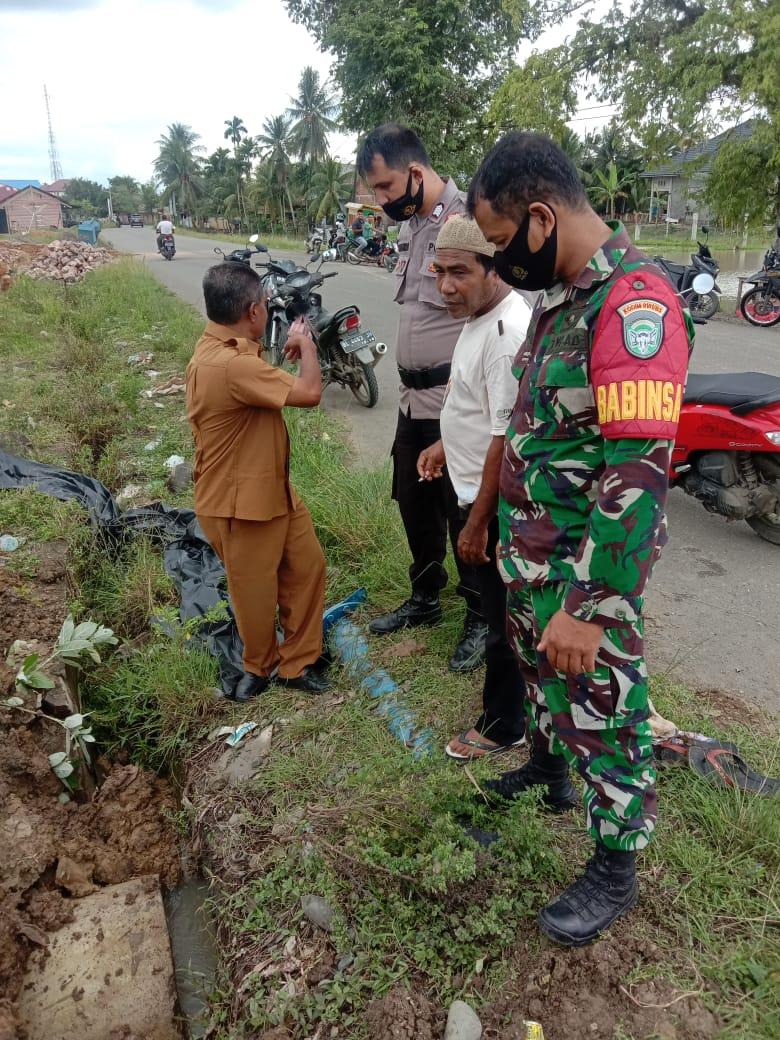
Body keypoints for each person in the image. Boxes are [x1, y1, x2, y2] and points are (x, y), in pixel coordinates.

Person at [468, 132, 693, 946]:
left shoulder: (634, 303)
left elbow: (638, 474)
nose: (499, 265)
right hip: (534, 561)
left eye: (499, 245)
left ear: (539, 217)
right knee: (540, 685)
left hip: (583, 576)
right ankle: (547, 770)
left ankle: (615, 865)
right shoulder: (563, 298)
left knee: (607, 711)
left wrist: (593, 609)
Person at [359, 123, 488, 672]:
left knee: (462, 510)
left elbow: (491, 310)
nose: (383, 201)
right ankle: (425, 596)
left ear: (415, 173)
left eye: (386, 188)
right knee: (412, 500)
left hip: (453, 403)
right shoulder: (415, 226)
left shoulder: (469, 219)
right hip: (413, 403)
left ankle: (482, 615)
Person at [186, 262, 329, 701]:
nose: (268, 314)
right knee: (253, 592)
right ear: (251, 311)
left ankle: (298, 662)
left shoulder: (221, 348)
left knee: (307, 568)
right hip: (238, 502)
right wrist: (306, 346)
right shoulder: (230, 365)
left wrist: (275, 356)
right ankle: (259, 666)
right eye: (266, 307)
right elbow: (309, 394)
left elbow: (253, 381)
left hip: (271, 489)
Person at [417, 215, 531, 759]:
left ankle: (504, 723)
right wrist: (444, 445)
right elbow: (476, 405)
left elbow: (506, 437)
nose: (445, 287)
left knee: (503, 620)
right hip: (470, 491)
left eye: (458, 272)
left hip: (493, 508)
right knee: (498, 610)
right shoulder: (479, 317)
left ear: (495, 268)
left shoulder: (507, 332)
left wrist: (479, 521)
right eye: (438, 271)